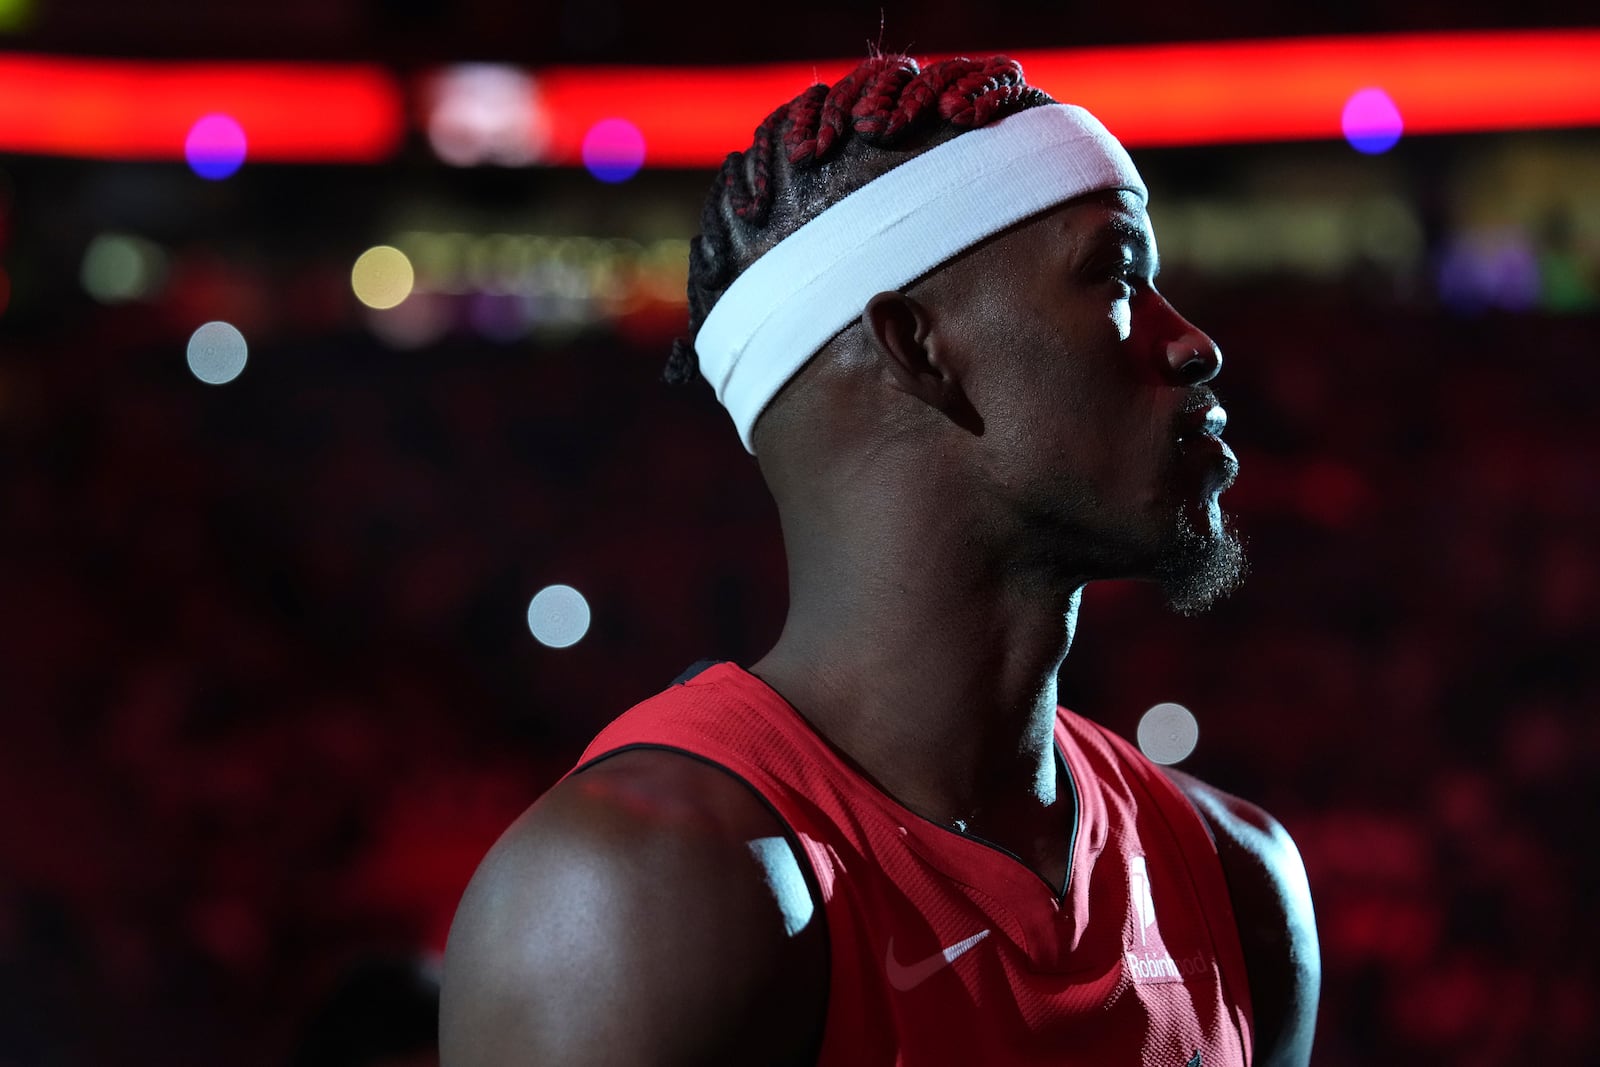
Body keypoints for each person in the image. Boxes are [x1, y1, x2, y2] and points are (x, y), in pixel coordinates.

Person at [441, 53, 1320, 1066]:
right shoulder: (642, 891)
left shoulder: (1233, 876)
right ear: (915, 345)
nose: (1193, 343)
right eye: (1116, 274)